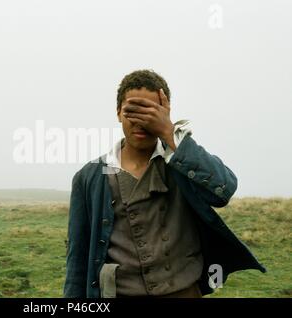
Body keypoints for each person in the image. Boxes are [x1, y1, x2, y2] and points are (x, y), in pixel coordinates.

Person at [63, 69, 266, 298]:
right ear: (119, 112)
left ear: (165, 112)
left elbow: (224, 190)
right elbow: (77, 258)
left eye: (151, 112)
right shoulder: (88, 178)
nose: (141, 121)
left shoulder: (182, 162)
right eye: (132, 111)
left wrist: (170, 133)